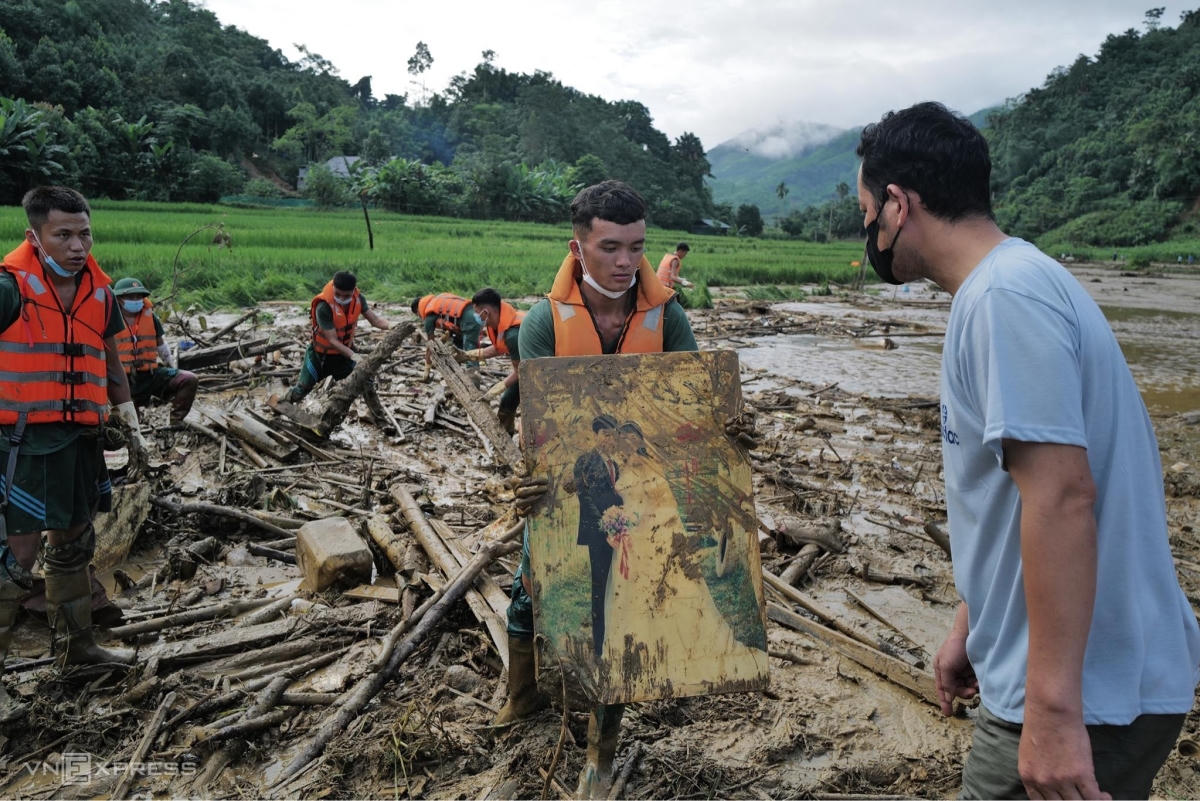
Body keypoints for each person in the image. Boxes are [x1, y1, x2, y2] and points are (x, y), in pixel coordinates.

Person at [855, 102, 1200, 799]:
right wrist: (971, 625)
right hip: (1085, 680)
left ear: (897, 205)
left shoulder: (1004, 298)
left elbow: (1063, 495)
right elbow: (1013, 493)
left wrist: (1050, 711)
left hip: (1089, 695)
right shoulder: (1011, 285)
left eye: (866, 212)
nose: (867, 231)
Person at [493, 180, 699, 799]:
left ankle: (601, 754)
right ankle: (521, 695)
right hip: (567, 483)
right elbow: (539, 428)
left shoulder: (669, 319)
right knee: (528, 590)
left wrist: (726, 430)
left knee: (621, 611)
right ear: (577, 247)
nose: (625, 262)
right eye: (610, 247)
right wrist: (525, 482)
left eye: (636, 247)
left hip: (634, 487)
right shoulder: (542, 324)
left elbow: (687, 408)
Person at [0, 186, 151, 721]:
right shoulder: (8, 288)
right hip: (23, 442)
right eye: (62, 234)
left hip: (81, 438)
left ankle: (76, 652)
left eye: (83, 233)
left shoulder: (101, 293)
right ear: (34, 235)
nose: (76, 245)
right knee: (15, 557)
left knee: (73, 542)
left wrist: (129, 418)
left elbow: (109, 357)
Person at [601, 421, 766, 694]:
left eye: (632, 438)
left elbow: (653, 502)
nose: (628, 443)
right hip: (631, 539)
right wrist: (616, 524)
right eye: (624, 438)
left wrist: (628, 522)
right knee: (629, 594)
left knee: (662, 589)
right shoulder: (623, 462)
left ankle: (667, 646)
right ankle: (636, 649)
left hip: (649, 535)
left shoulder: (648, 463)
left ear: (640, 439)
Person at [284, 271, 390, 403]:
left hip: (343, 357)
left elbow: (375, 320)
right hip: (320, 357)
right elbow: (332, 340)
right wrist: (355, 356)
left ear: (353, 291)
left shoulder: (358, 299)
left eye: (346, 295)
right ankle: (283, 403)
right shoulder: (323, 306)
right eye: (338, 294)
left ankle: (379, 419)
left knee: (366, 381)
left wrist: (392, 326)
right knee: (302, 389)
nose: (342, 298)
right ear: (333, 287)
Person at [110, 276, 198, 425]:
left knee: (189, 379)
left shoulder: (150, 317)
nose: (136, 300)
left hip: (150, 375)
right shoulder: (109, 319)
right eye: (130, 297)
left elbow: (161, 346)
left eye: (139, 296)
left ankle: (175, 422)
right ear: (119, 298)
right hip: (123, 380)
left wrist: (171, 366)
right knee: (131, 425)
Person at [571, 414, 624, 659]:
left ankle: (615, 638)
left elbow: (617, 495)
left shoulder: (615, 465)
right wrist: (605, 522)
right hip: (598, 533)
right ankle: (598, 646)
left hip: (618, 531)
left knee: (617, 584)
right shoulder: (585, 461)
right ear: (596, 436)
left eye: (613, 436)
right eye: (604, 435)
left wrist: (621, 517)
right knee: (599, 588)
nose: (608, 440)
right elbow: (585, 497)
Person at [454, 288, 524, 433]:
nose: (475, 317)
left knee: (510, 400)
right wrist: (468, 355)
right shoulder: (500, 324)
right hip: (528, 366)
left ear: (485, 312)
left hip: (543, 369)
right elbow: (498, 348)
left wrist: (497, 389)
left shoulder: (513, 334)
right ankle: (507, 435)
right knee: (508, 400)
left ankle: (509, 438)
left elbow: (520, 371)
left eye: (476, 312)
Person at [410, 292, 483, 381]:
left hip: (469, 320)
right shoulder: (437, 301)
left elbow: (431, 345)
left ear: (418, 310)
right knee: (457, 346)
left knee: (471, 351)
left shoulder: (429, 315)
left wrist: (427, 368)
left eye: (418, 315)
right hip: (476, 313)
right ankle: (458, 377)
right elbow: (451, 323)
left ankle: (474, 384)